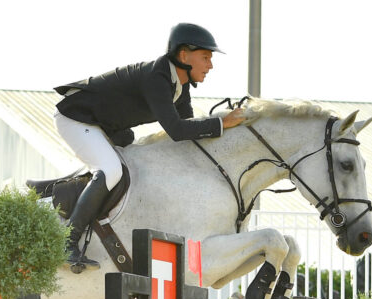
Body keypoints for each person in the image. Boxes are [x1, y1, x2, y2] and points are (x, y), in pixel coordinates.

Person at [54, 22, 246, 269]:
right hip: (75, 117)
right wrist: (221, 124)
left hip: (105, 125)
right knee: (111, 170)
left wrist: (225, 127)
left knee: (130, 150)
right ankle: (66, 241)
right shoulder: (158, 77)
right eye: (206, 57)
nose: (211, 65)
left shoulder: (180, 84)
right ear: (184, 55)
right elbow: (176, 131)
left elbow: (189, 128)